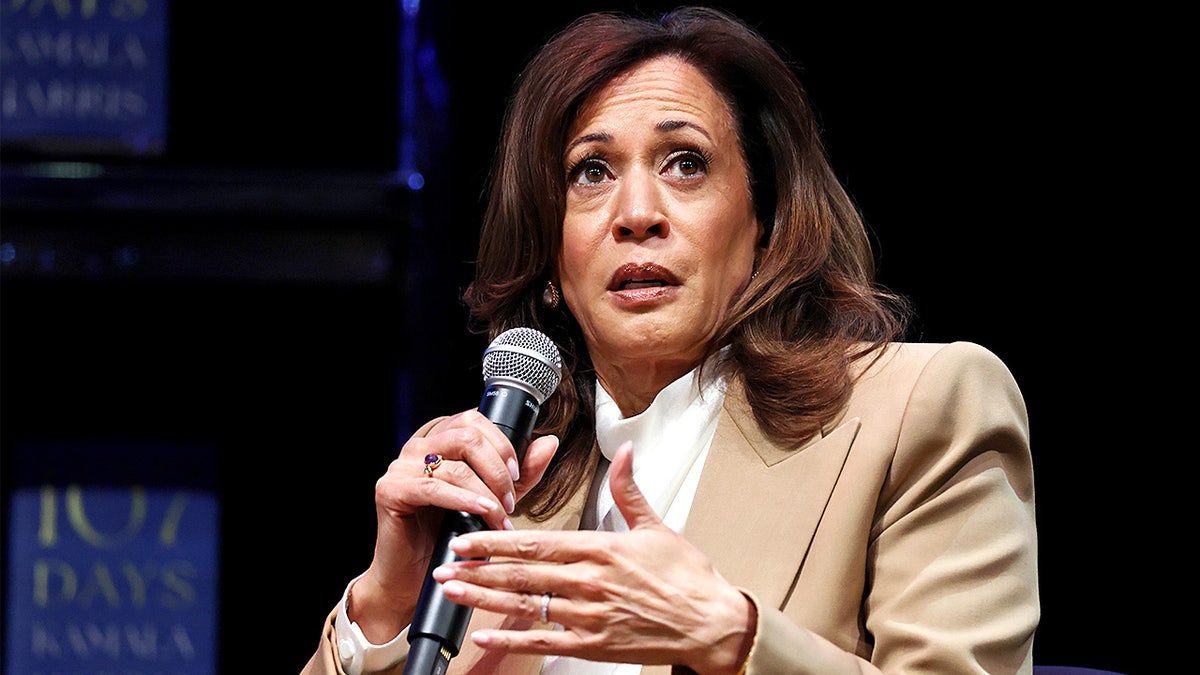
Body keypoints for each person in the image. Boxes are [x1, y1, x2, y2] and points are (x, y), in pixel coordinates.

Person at [302, 6, 1039, 674]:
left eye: (686, 163)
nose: (637, 214)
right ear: (552, 253)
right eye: (592, 172)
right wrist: (384, 607)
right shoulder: (497, 485)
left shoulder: (922, 408)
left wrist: (733, 635)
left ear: (767, 225)